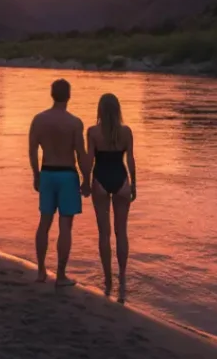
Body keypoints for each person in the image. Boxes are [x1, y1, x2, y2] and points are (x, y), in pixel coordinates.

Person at [28, 78, 90, 287]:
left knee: (44, 223)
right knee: (65, 227)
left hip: (47, 173)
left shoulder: (39, 120)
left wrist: (36, 175)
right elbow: (81, 154)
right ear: (69, 95)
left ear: (52, 94)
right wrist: (87, 179)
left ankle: (41, 271)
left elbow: (32, 150)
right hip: (67, 174)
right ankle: (61, 275)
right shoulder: (74, 122)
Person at [84, 92, 136, 301]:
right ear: (118, 110)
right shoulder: (126, 132)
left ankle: (108, 279)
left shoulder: (93, 132)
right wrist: (134, 184)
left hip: (101, 181)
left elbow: (88, 160)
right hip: (121, 179)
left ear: (100, 110)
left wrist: (85, 182)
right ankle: (122, 278)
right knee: (121, 232)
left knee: (104, 233)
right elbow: (130, 160)